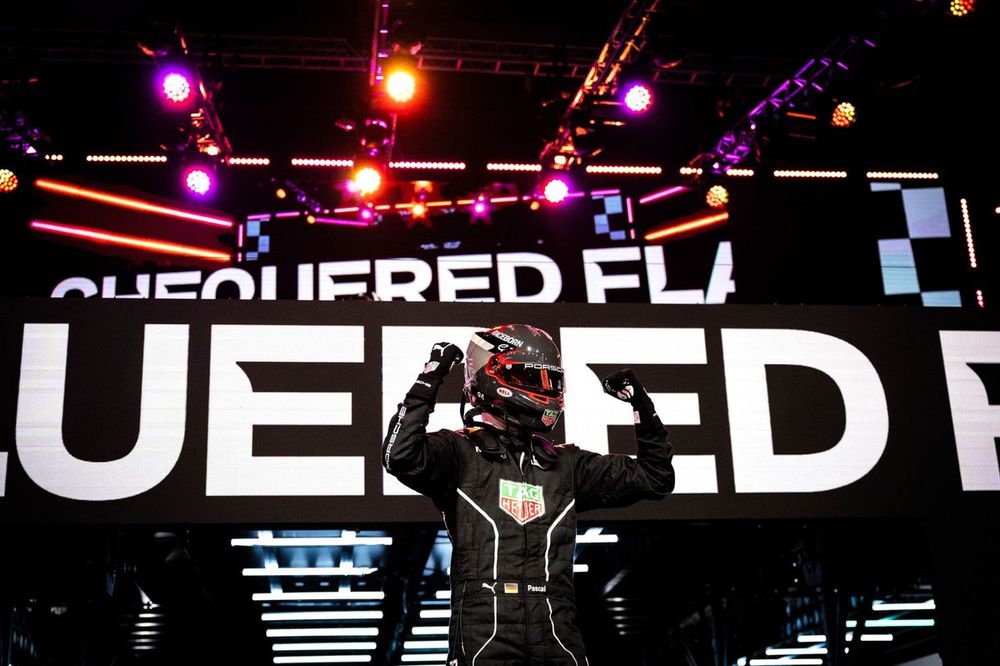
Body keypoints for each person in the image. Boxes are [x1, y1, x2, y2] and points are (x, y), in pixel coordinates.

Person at [382, 323, 675, 665]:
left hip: (557, 631)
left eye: (551, 380)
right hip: (484, 633)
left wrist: (642, 406)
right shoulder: (458, 452)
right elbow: (399, 455)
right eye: (533, 378)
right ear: (492, 376)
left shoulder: (565, 463)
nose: (546, 389)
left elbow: (656, 477)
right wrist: (430, 377)